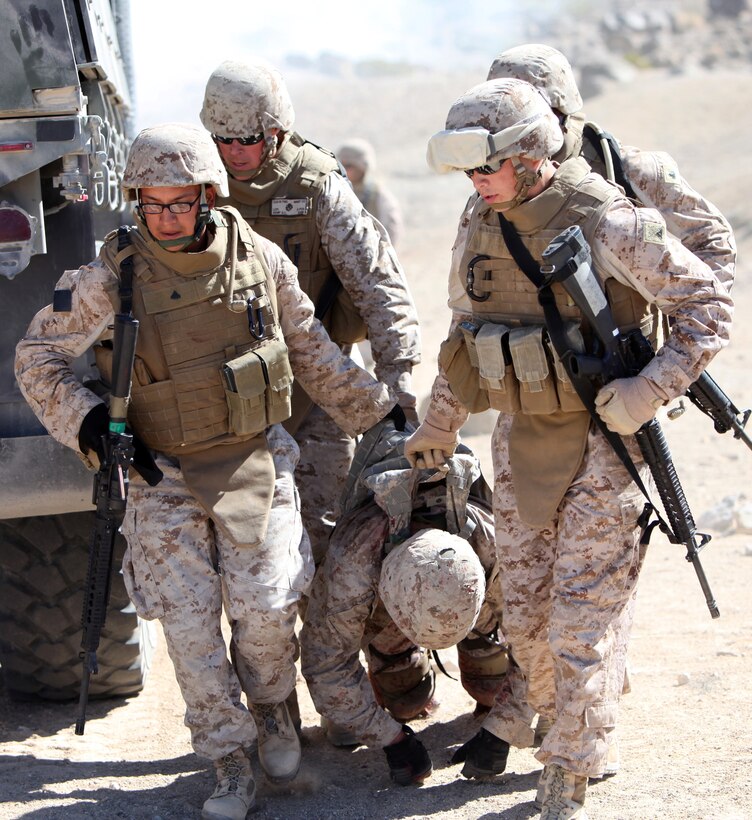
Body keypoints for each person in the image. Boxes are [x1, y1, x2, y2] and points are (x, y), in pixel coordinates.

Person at [14, 122, 402, 820]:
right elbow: (35, 359)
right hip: (160, 472)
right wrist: (91, 424)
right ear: (136, 201)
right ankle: (228, 757)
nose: (166, 218)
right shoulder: (111, 277)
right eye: (152, 205)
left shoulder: (255, 260)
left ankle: (272, 704)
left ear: (207, 197)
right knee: (189, 625)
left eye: (180, 203)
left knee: (265, 612)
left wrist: (383, 419)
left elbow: (312, 349)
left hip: (253, 456)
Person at [405, 79, 732, 819]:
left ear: (528, 156)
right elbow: (467, 333)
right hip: (522, 442)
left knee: (580, 622)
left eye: (485, 167)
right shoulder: (480, 216)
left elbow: (707, 304)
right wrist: (439, 423)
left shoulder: (606, 219)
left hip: (604, 448)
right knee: (526, 623)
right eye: (468, 172)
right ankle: (576, 718)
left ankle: (570, 768)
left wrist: (653, 387)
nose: (475, 183)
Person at [485, 42, 738, 775]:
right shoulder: (497, 196)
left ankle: (580, 734)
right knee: (533, 592)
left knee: (588, 590)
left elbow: (711, 259)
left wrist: (665, 363)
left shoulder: (632, 176)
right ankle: (565, 703)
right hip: (539, 410)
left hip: (619, 395)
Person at [199, 59, 420, 571]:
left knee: (329, 544)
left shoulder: (316, 187)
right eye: (221, 139)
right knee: (241, 557)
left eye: (246, 139)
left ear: (276, 131)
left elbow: (380, 286)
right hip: (224, 395)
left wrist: (400, 391)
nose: (232, 152)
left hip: (317, 384)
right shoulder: (195, 183)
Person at [301, 421, 509, 785]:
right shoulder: (354, 564)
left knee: (491, 688)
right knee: (406, 701)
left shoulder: (493, 543)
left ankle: (482, 667)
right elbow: (325, 666)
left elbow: (540, 639)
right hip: (392, 597)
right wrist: (389, 737)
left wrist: (506, 725)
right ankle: (400, 666)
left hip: (470, 595)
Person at [336, 138, 404, 249]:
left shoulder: (378, 195)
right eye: (340, 165)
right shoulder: (336, 192)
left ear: (362, 167)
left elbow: (392, 230)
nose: (343, 170)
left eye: (348, 166)